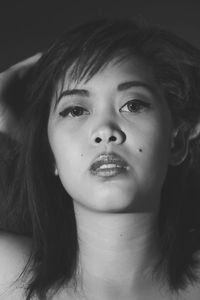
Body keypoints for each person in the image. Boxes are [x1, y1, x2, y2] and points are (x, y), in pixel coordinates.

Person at [0, 17, 200, 300]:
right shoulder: (6, 277)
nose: (105, 131)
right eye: (75, 110)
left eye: (133, 105)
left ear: (177, 142)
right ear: (48, 153)